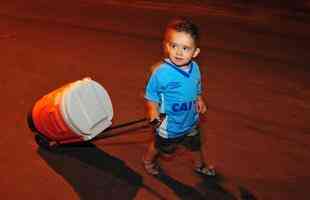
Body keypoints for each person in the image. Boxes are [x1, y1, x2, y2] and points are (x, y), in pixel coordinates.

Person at [142, 17, 216, 177]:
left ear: (195, 52)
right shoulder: (161, 73)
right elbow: (151, 96)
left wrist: (199, 99)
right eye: (174, 45)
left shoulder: (195, 68)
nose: (178, 52)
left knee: (195, 146)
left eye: (185, 48)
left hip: (191, 122)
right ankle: (148, 160)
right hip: (170, 127)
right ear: (167, 46)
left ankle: (199, 165)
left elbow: (196, 86)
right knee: (160, 147)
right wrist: (153, 112)